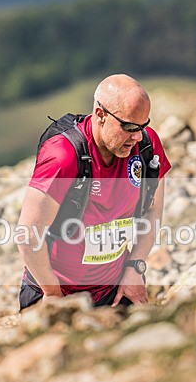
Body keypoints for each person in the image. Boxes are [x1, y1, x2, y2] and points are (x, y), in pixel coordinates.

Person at [17, 74, 171, 310]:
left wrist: (135, 268)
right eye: (129, 127)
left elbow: (152, 211)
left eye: (143, 126)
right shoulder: (63, 156)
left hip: (115, 290)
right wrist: (53, 294)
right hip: (57, 294)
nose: (137, 136)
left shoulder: (147, 147)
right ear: (100, 116)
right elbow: (28, 235)